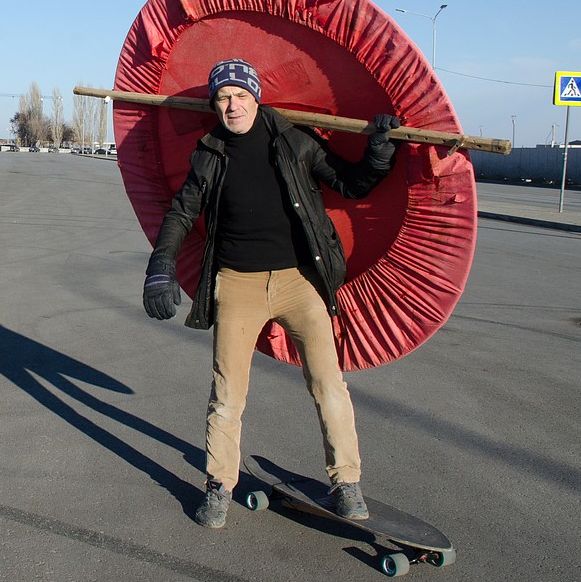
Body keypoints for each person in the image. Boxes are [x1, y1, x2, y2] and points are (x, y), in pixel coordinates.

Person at [142, 58, 399, 528]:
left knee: (328, 384)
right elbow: (182, 212)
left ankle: (347, 482)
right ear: (214, 105)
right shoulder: (209, 152)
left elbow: (350, 182)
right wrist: (160, 265)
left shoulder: (294, 140)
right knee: (227, 395)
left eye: (240, 95)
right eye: (222, 98)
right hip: (237, 284)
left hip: (300, 281)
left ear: (256, 97)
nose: (232, 105)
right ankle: (219, 486)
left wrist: (378, 152)